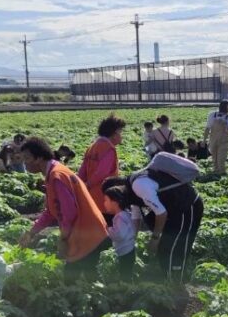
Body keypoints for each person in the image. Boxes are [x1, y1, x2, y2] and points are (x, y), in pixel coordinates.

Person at [104, 152, 204, 283]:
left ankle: (176, 283)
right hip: (173, 209)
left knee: (175, 245)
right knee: (165, 246)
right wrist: (132, 239)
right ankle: (168, 279)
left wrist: (155, 239)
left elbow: (161, 213)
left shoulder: (139, 186)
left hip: (187, 206)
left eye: (109, 199)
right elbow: (136, 216)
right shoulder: (131, 191)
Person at [19, 137, 109, 282]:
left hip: (87, 231)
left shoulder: (57, 176)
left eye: (27, 158)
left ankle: (112, 294)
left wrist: (63, 239)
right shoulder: (53, 172)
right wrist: (31, 233)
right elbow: (50, 212)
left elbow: (69, 213)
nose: (25, 163)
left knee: (81, 278)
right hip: (84, 230)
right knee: (80, 276)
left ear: (39, 158)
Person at [79, 114, 125, 209]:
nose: (122, 136)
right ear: (114, 134)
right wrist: (88, 184)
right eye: (121, 132)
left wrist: (82, 186)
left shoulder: (92, 147)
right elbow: (102, 173)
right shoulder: (109, 148)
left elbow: (82, 171)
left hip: (90, 195)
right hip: (105, 197)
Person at [101, 185, 141, 281]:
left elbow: (120, 235)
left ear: (115, 202)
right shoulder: (126, 214)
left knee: (124, 275)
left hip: (125, 251)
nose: (104, 203)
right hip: (129, 249)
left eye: (106, 200)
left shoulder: (119, 217)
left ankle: (125, 288)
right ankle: (126, 287)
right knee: (126, 273)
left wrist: (107, 230)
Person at [204, 100, 228, 175]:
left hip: (224, 141)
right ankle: (216, 174)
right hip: (213, 140)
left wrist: (225, 124)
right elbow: (207, 128)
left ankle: (222, 174)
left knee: (221, 160)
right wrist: (204, 140)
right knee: (214, 160)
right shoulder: (212, 115)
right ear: (224, 107)